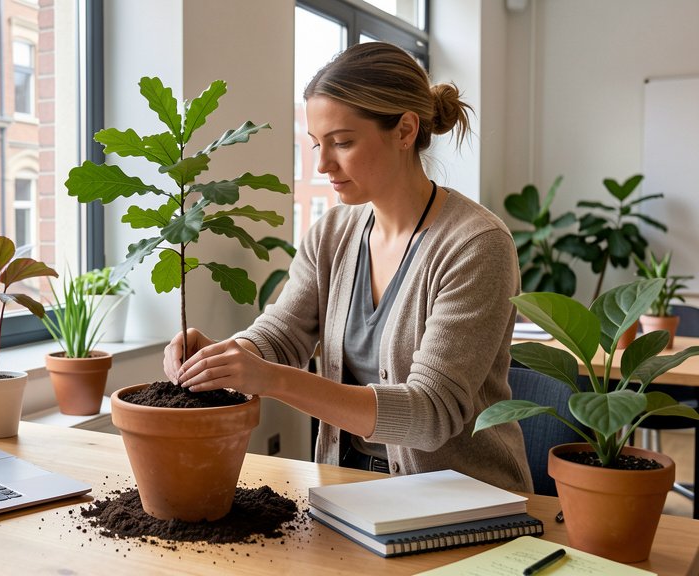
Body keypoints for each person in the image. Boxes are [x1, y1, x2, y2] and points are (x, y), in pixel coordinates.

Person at [163, 42, 533, 493]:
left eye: (342, 143)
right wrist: (227, 357)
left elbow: (431, 413)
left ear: (404, 130)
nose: (322, 164)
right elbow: (283, 334)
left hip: (464, 502)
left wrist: (272, 379)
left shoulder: (476, 246)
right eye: (318, 144)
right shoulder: (333, 232)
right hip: (347, 492)